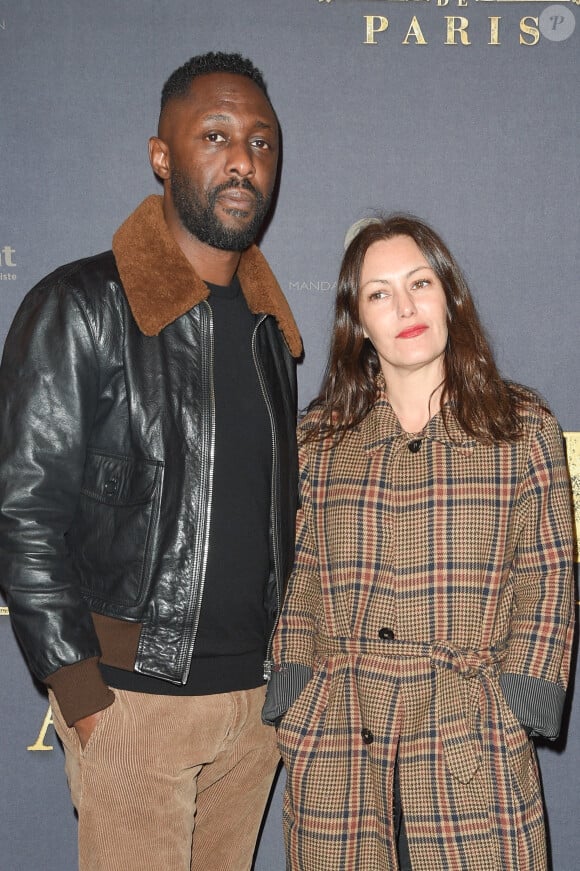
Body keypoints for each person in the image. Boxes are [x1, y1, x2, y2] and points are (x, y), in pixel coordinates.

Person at [0, 51, 302, 871]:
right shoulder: (80, 305)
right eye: (215, 135)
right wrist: (84, 696)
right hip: (135, 706)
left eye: (262, 142)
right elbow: (23, 512)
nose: (244, 159)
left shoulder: (272, 333)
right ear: (162, 156)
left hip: (252, 712)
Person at [262, 214, 575, 870]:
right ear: (359, 321)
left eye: (419, 283)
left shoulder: (521, 429)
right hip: (338, 740)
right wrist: (294, 687)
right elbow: (303, 570)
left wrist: (517, 698)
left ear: (449, 296)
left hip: (471, 740)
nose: (403, 306)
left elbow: (546, 573)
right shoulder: (319, 439)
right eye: (379, 293)